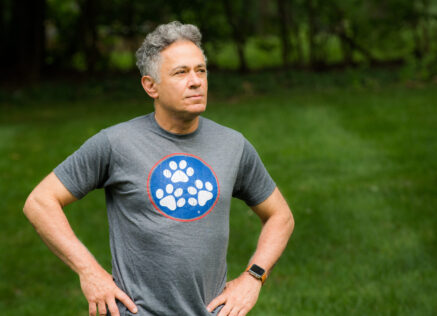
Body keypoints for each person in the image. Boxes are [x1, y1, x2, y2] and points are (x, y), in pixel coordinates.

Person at [23, 21, 294, 316]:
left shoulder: (232, 145)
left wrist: (253, 277)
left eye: (200, 70)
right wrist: (89, 272)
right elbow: (40, 202)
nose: (196, 81)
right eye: (181, 72)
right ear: (151, 86)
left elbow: (280, 216)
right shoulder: (116, 143)